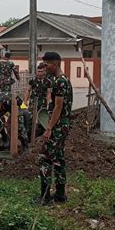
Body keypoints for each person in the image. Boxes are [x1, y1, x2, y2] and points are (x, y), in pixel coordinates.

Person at [36, 52, 73, 205]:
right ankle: (59, 196)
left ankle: (44, 197)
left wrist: (49, 128)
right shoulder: (63, 80)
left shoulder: (60, 82)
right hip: (62, 124)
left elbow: (58, 107)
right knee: (58, 159)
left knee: (44, 158)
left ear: (56, 64)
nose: (45, 67)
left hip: (58, 125)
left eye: (47, 64)